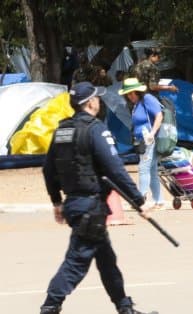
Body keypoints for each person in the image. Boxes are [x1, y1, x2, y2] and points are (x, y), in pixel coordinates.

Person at [41, 82, 155, 314]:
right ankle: (50, 306)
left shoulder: (62, 130)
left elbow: (48, 169)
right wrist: (139, 200)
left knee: (106, 261)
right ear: (90, 103)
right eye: (97, 98)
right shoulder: (95, 129)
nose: (99, 102)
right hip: (89, 206)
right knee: (76, 262)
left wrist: (56, 201)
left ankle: (125, 308)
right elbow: (115, 168)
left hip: (76, 203)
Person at [119, 78, 164, 210]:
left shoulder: (148, 99)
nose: (130, 96)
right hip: (142, 140)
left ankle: (141, 200)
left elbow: (159, 115)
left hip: (149, 139)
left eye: (132, 93)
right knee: (152, 170)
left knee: (143, 168)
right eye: (128, 94)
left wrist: (152, 133)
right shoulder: (137, 104)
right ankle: (159, 201)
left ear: (138, 92)